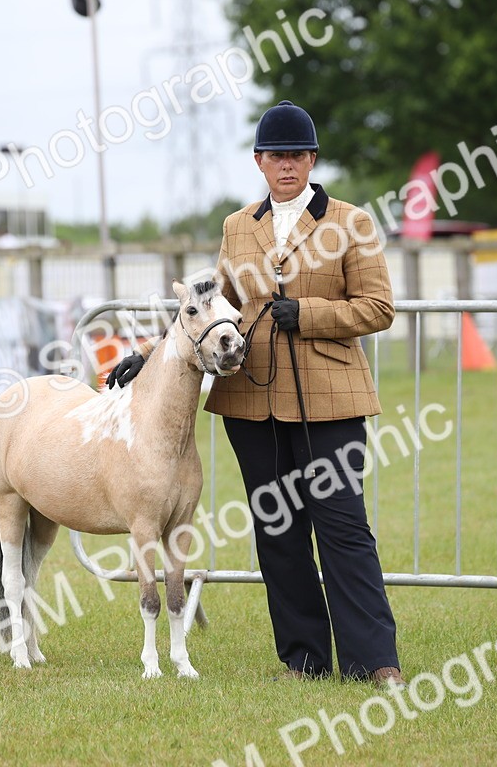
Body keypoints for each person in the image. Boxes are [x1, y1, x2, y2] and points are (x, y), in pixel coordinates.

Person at [108, 100, 403, 686]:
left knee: (343, 527)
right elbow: (208, 305)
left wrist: (307, 313)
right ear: (259, 162)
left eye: (297, 155)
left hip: (330, 402)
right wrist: (151, 355)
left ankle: (374, 661)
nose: (287, 165)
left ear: (312, 159)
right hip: (251, 403)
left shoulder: (351, 222)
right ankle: (304, 660)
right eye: (276, 156)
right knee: (278, 531)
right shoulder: (237, 226)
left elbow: (378, 308)